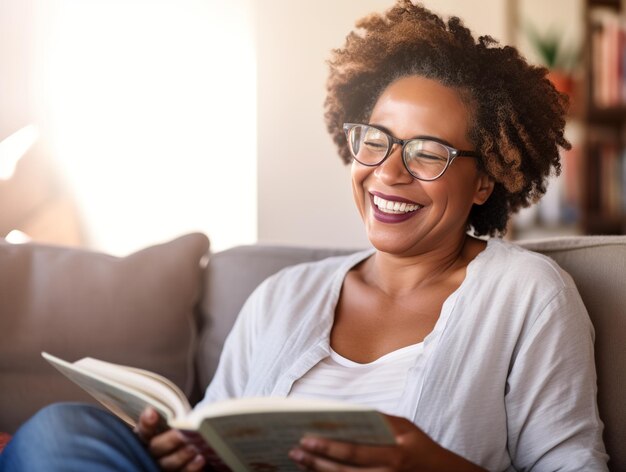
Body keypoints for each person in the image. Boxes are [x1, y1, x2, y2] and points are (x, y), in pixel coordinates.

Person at [0, 1, 608, 471]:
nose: (388, 172)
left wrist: (433, 464)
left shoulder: (528, 294)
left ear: (485, 181)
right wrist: (178, 452)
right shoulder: (280, 296)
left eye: (428, 152)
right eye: (375, 140)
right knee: (60, 431)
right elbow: (216, 434)